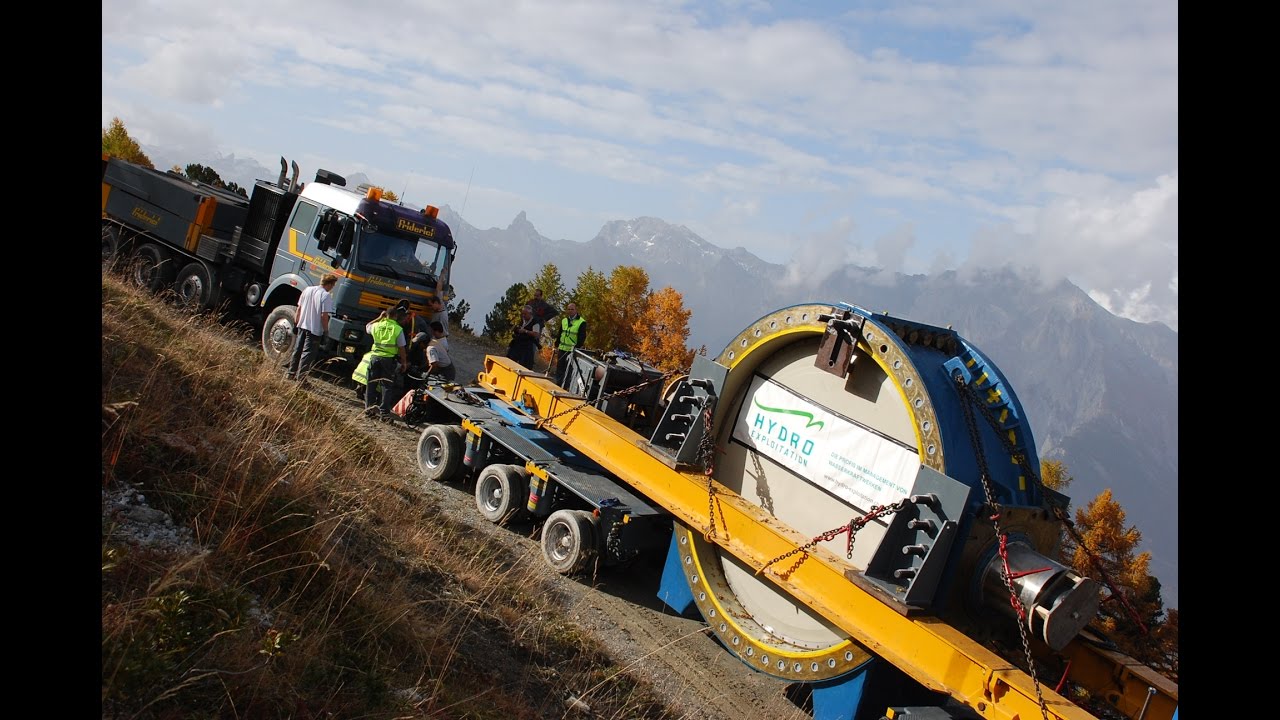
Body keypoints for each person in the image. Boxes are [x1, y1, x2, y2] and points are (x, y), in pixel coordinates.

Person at [285, 273, 338, 386]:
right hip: (314, 329)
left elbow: (299, 308)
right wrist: (326, 331)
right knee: (307, 354)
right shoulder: (325, 295)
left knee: (297, 349)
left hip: (302, 325)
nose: (332, 287)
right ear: (329, 284)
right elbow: (324, 316)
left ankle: (291, 373)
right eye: (333, 285)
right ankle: (301, 379)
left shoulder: (307, 290)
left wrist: (296, 323)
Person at [364, 306, 410, 421]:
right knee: (386, 386)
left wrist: (379, 318)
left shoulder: (376, 325)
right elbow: (402, 348)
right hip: (388, 360)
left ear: (386, 315)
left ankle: (369, 410)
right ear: (395, 316)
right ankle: (384, 414)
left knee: (371, 384)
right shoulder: (397, 329)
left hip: (374, 358)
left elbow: (367, 326)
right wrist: (404, 362)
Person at [554, 302, 587, 387]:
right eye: (569, 309)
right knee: (559, 369)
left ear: (576, 310)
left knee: (569, 370)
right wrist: (556, 345)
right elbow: (560, 333)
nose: (570, 311)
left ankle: (565, 387)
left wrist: (576, 348)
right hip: (562, 348)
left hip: (571, 351)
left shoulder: (581, 322)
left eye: (572, 309)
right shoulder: (564, 321)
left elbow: (582, 337)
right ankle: (558, 385)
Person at [506, 304, 542, 369]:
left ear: (530, 314)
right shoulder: (522, 320)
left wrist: (525, 331)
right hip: (517, 343)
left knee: (524, 366)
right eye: (522, 314)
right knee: (509, 361)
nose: (523, 315)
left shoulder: (535, 322)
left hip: (527, 346)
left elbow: (536, 334)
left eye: (525, 314)